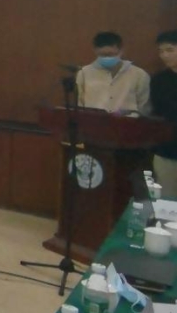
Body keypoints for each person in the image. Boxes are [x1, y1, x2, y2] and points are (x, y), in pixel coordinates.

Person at [75, 30, 150, 115]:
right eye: (102, 55)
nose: (107, 58)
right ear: (95, 51)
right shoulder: (84, 73)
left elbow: (144, 107)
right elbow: (80, 105)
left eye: (111, 54)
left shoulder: (139, 74)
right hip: (94, 121)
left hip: (128, 122)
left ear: (121, 50)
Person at [151, 30, 177, 199]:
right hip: (166, 149)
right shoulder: (158, 80)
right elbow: (157, 111)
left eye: (170, 50)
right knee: (166, 200)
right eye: (161, 51)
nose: (164, 55)